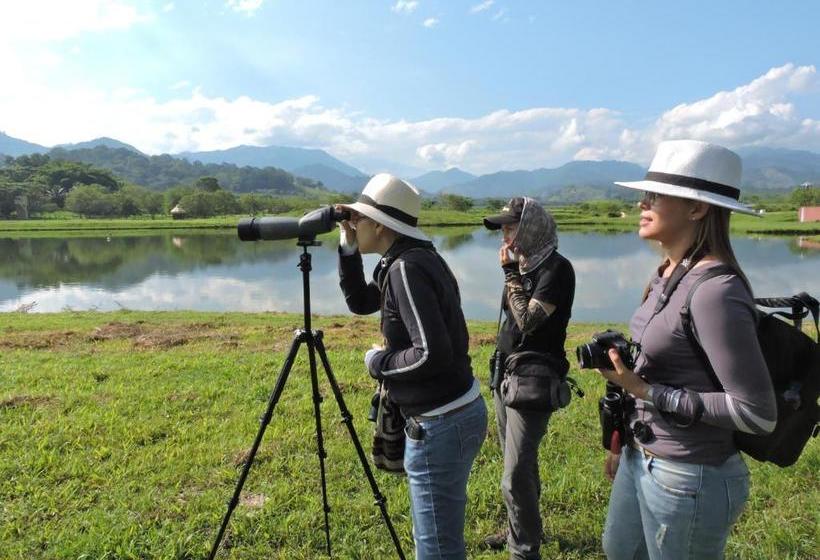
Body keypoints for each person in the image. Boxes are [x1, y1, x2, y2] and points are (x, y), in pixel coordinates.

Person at [600, 140, 777, 560]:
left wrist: (647, 392)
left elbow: (757, 413)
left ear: (697, 209)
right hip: (642, 456)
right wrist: (619, 440)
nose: (643, 202)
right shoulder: (667, 272)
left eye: (656, 195)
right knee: (618, 550)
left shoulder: (716, 289)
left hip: (689, 476)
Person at [336, 173, 488, 560]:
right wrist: (347, 246)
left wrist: (378, 362)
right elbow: (360, 302)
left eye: (358, 218)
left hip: (441, 421)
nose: (353, 223)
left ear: (381, 225)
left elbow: (430, 354)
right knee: (441, 537)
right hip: (454, 410)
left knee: (436, 547)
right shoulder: (406, 261)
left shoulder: (406, 269)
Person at [482, 197, 576, 559]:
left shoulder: (556, 269)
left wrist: (510, 274)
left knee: (515, 473)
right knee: (517, 461)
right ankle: (519, 530)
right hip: (506, 373)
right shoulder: (525, 264)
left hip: (533, 379)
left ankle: (523, 549)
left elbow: (528, 322)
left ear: (532, 227)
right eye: (503, 227)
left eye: (511, 226)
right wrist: (515, 272)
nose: (505, 234)